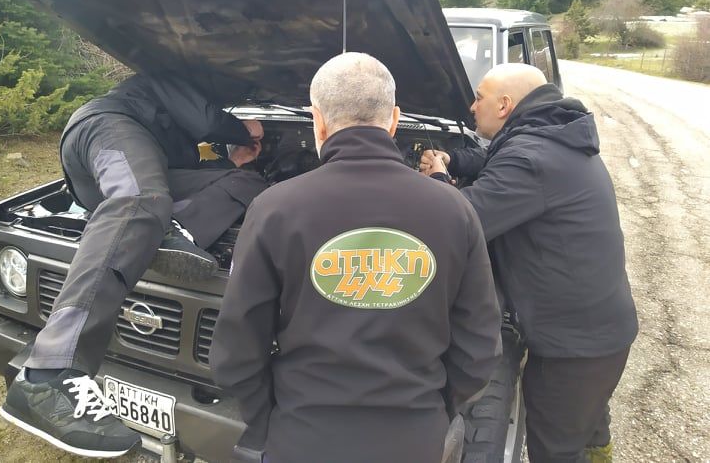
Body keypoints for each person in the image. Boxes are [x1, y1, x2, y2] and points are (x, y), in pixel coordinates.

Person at [208, 52, 503, 463]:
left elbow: (237, 349)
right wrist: (432, 411)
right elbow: (479, 347)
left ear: (318, 121)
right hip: (415, 440)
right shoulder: (455, 209)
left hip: (302, 439)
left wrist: (270, 420)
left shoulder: (275, 208)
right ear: (394, 120)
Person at [0, 73, 268, 458]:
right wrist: (244, 130)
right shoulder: (170, 71)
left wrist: (233, 161)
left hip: (135, 162)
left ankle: (172, 234)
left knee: (241, 182)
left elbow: (194, 171)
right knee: (140, 200)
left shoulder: (182, 130)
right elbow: (208, 120)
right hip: (105, 131)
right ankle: (48, 373)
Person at [421, 63, 639, 463]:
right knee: (588, 424)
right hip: (598, 331)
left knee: (555, 449)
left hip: (574, 347)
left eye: (479, 98)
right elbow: (493, 159)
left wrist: (436, 180)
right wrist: (452, 159)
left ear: (504, 105)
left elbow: (461, 222)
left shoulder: (532, 157)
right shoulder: (547, 136)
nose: (472, 106)